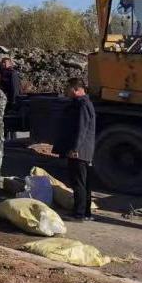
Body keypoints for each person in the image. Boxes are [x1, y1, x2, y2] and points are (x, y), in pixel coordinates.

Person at [53, 77, 96, 221]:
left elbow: (81, 129)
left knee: (79, 183)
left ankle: (79, 214)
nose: (66, 91)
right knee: (83, 183)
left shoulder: (82, 105)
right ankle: (86, 213)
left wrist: (75, 148)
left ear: (75, 89)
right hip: (82, 150)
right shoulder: (81, 103)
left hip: (79, 151)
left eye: (68, 88)